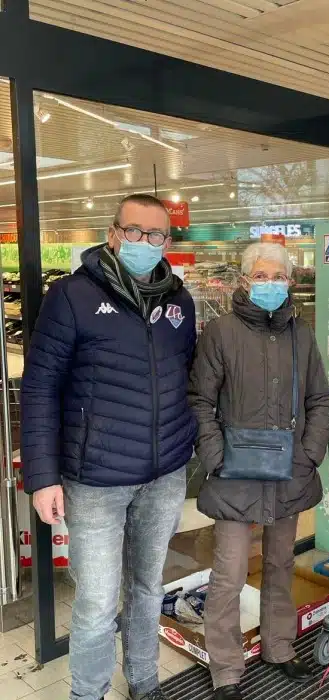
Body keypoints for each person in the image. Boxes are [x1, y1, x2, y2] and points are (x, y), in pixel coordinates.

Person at [20, 194, 197, 700]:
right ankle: (88, 693)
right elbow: (40, 387)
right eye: (135, 231)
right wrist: (43, 477)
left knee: (147, 588)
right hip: (95, 479)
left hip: (164, 475)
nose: (145, 242)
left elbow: (185, 375)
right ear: (114, 234)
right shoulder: (72, 296)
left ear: (167, 241)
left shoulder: (179, 302)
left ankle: (144, 680)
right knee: (97, 602)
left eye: (156, 235)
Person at [188, 242, 329, 700]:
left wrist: (309, 454)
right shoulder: (221, 333)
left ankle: (279, 646)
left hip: (290, 471)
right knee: (229, 572)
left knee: (280, 562)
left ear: (291, 281)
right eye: (262, 276)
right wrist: (216, 458)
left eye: (279, 276)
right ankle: (226, 670)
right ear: (246, 280)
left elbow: (318, 399)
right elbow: (200, 401)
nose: (271, 284)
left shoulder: (301, 334)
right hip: (235, 474)